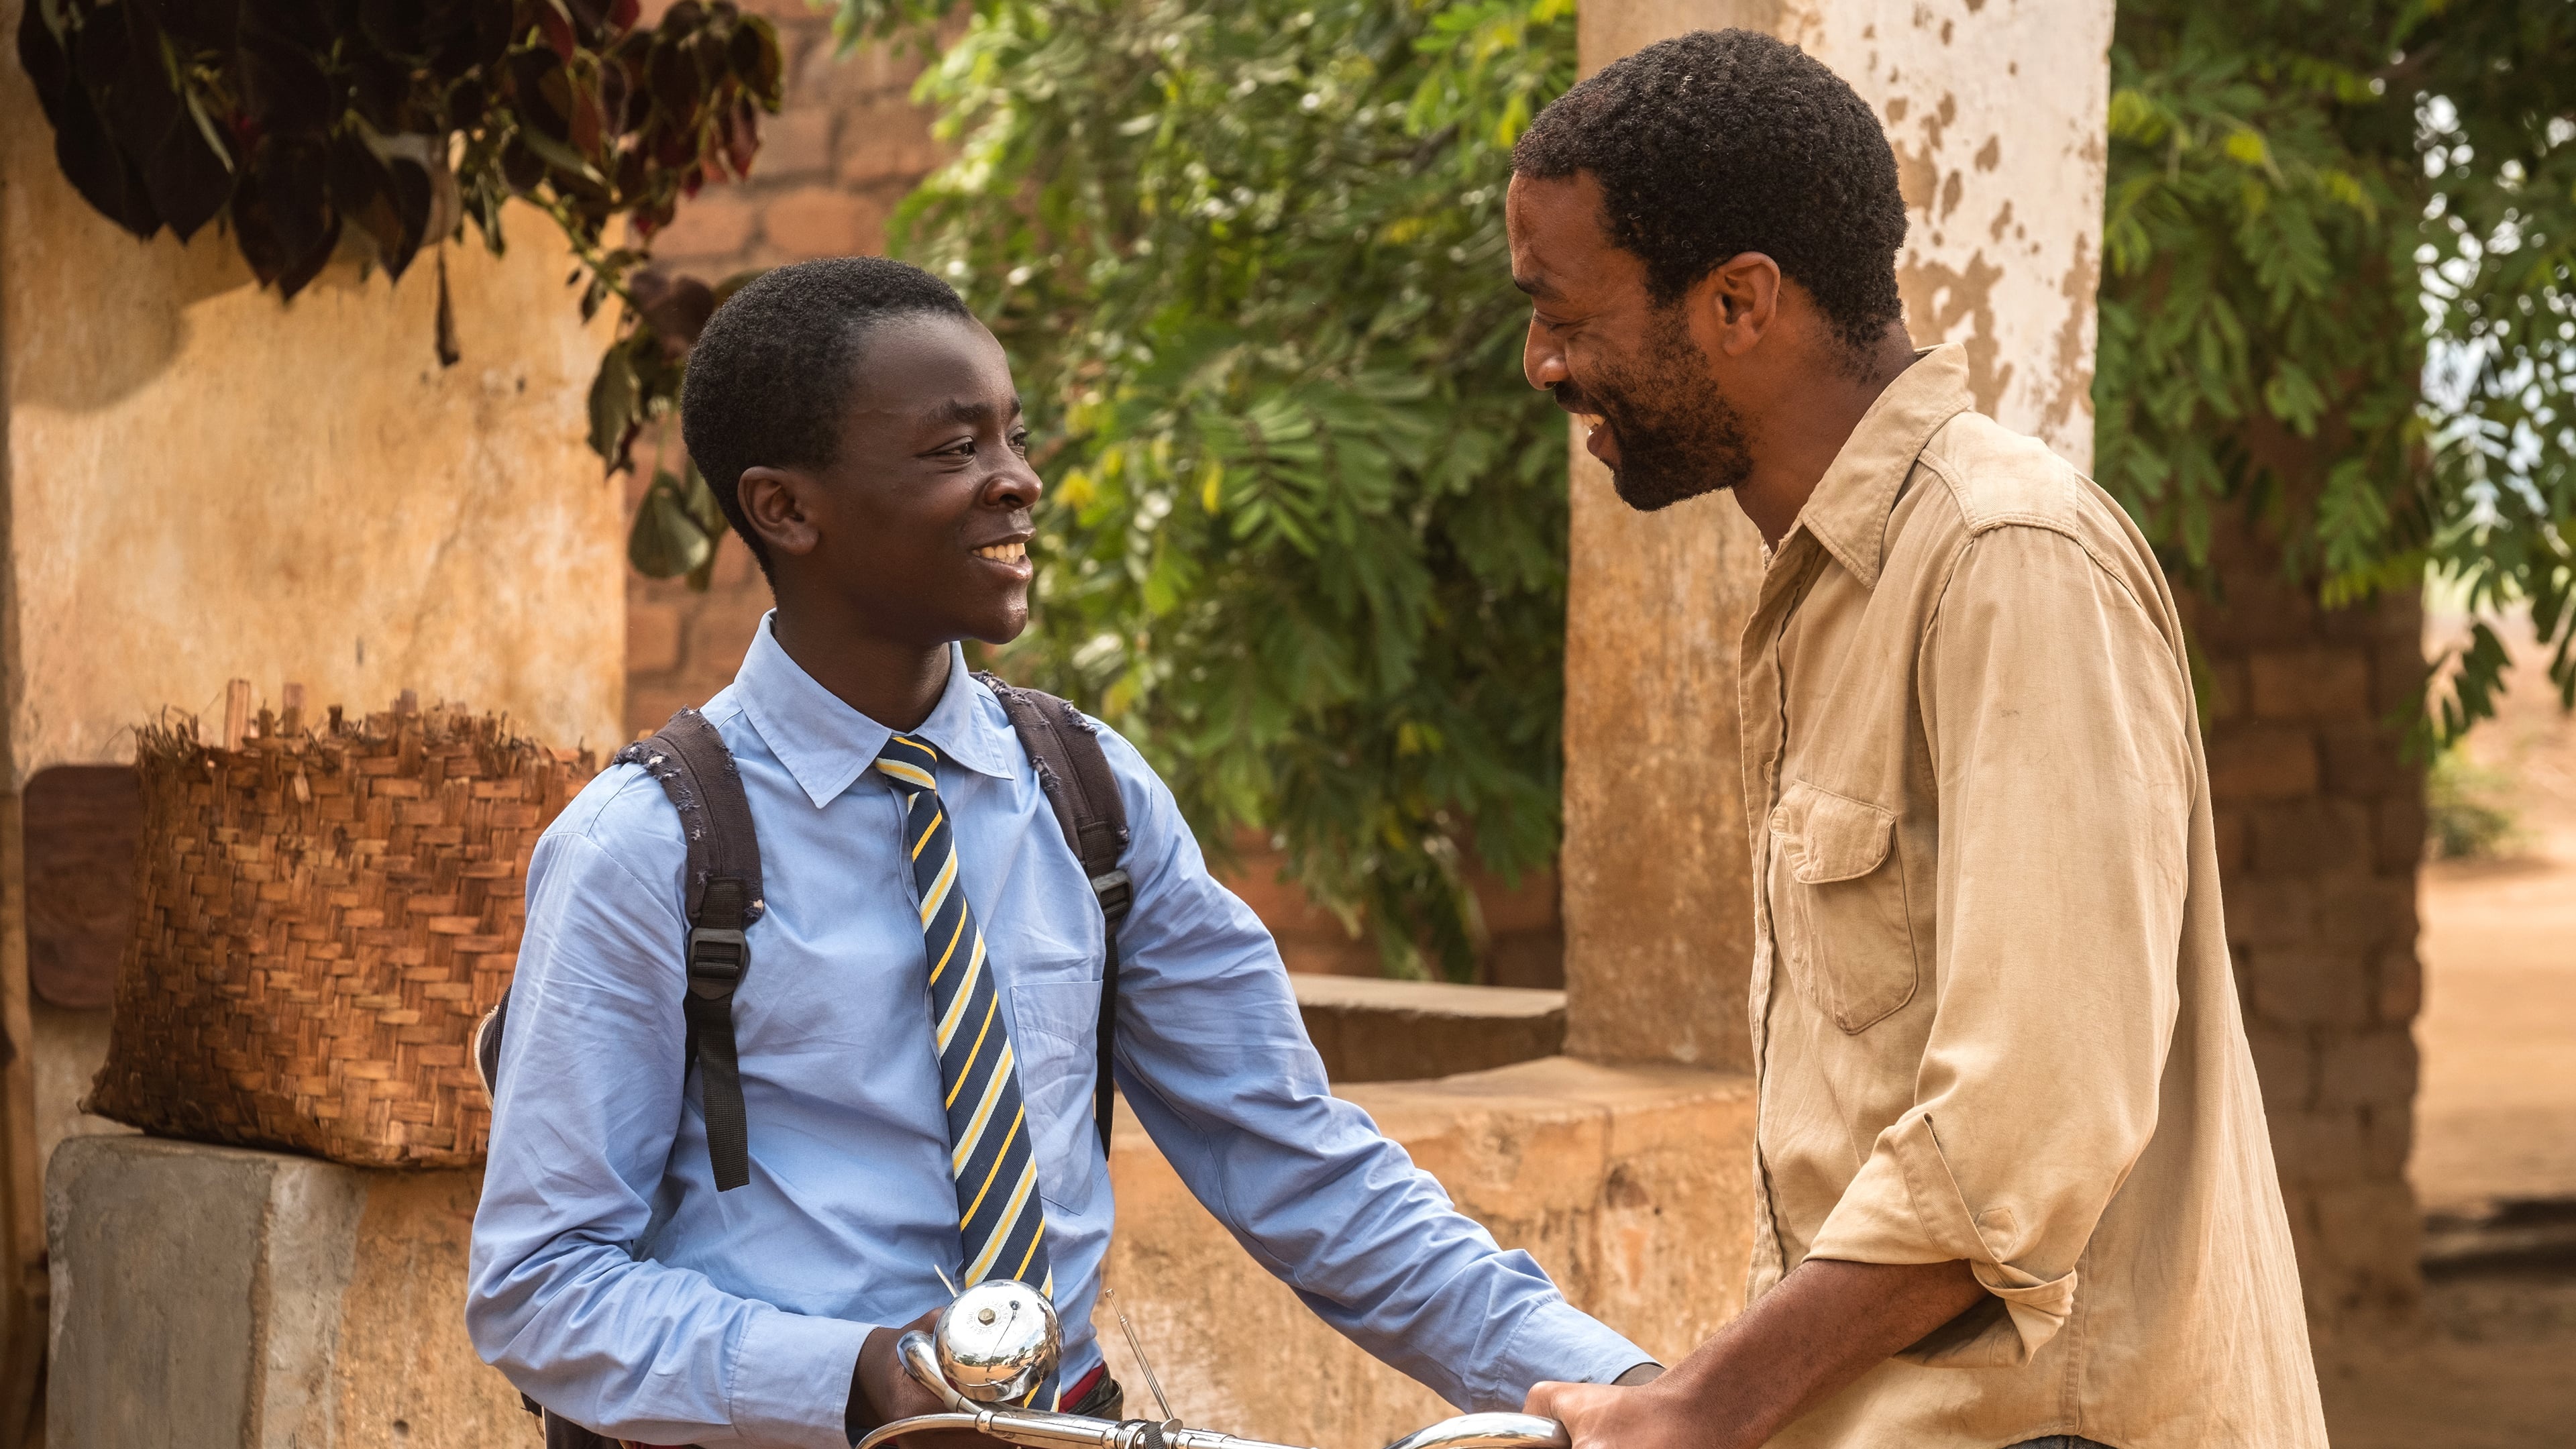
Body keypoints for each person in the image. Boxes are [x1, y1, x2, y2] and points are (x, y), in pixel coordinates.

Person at [466, 256, 1655, 1449]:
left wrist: (1636, 1387)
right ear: (785, 508)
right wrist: (849, 1376)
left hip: (1067, 1427)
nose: (1018, 481)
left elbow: (1299, 1160)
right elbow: (540, 1283)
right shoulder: (648, 847)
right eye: (952, 451)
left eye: (1014, 439)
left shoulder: (1090, 796)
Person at [1503, 30, 2327, 1449]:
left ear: (1740, 302)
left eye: (1566, 313)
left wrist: (1706, 1403)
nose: (1543, 364)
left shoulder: (2009, 558)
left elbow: (2025, 1124)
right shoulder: (1827, 588)